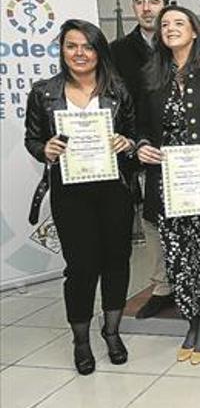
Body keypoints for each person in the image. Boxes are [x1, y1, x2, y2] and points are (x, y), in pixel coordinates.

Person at [25, 19, 137, 375]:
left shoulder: (118, 90)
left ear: (98, 51)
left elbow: (134, 134)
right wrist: (45, 148)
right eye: (71, 46)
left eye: (87, 46)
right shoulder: (44, 93)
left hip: (114, 189)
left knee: (117, 262)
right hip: (70, 193)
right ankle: (81, 340)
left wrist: (128, 143)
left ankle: (113, 332)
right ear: (62, 50)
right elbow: (32, 140)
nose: (79, 53)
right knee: (81, 269)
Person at [136, 5, 200, 365]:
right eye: (165, 24)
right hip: (167, 181)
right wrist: (143, 145)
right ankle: (190, 319)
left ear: (195, 31)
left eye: (179, 23)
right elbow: (142, 126)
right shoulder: (151, 75)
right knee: (176, 253)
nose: (171, 28)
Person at [110, 0, 175, 319]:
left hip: (184, 153)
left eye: (154, 1)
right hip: (143, 149)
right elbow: (113, 102)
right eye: (140, 1)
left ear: (165, 4)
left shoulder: (180, 42)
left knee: (188, 219)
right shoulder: (117, 51)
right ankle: (162, 285)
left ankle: (191, 282)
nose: (147, 7)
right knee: (153, 221)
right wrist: (134, 143)